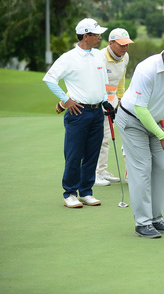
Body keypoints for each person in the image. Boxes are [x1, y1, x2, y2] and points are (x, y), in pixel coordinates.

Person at [116, 37, 164, 238]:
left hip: (157, 121)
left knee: (160, 168)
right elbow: (140, 109)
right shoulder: (147, 69)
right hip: (132, 120)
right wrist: (162, 135)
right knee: (142, 168)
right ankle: (142, 224)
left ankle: (156, 219)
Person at [43, 18, 115, 208]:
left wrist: (106, 102)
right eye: (96, 34)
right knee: (74, 155)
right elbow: (50, 79)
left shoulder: (99, 55)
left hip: (97, 111)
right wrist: (66, 100)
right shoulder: (69, 58)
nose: (100, 37)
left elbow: (101, 81)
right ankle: (69, 193)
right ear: (86, 36)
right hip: (78, 112)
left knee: (92, 154)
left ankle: (86, 192)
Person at [94, 28, 134, 185]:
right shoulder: (100, 57)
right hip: (97, 102)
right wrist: (103, 102)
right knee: (100, 138)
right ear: (110, 43)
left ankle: (102, 171)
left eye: (127, 44)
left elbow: (121, 81)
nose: (124, 48)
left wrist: (121, 100)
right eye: (121, 44)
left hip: (113, 103)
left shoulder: (125, 57)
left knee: (107, 138)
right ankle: (94, 173)